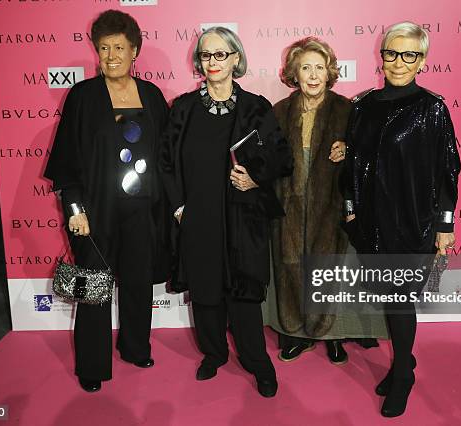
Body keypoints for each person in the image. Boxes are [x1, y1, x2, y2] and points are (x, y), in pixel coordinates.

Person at [160, 27, 292, 398]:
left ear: (236, 58)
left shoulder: (256, 107)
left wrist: (255, 179)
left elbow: (283, 159)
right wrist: (180, 208)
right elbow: (166, 163)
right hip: (198, 217)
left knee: (244, 293)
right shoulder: (183, 109)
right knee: (205, 292)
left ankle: (256, 362)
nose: (213, 62)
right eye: (206, 55)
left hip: (243, 217)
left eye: (221, 54)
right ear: (199, 61)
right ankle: (214, 353)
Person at [44, 10, 171, 393]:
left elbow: (166, 155)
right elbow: (67, 160)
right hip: (95, 210)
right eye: (103, 48)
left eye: (119, 47)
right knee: (94, 286)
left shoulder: (151, 95)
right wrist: (75, 210)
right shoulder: (82, 96)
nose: (111, 54)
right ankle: (92, 365)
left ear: (135, 51)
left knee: (137, 283)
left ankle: (135, 347)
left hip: (142, 208)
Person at [341, 22, 460, 417]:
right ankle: (403, 362)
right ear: (382, 55)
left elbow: (448, 170)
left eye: (409, 54)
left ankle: (403, 372)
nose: (398, 61)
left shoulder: (432, 108)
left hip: (414, 224)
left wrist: (445, 224)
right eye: (392, 53)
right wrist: (351, 212)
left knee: (400, 301)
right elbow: (351, 168)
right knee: (389, 299)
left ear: (422, 60)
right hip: (371, 224)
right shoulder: (362, 106)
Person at [265, 37, 387, 365]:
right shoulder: (280, 112)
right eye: (306, 68)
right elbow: (268, 160)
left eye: (320, 67)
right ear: (295, 73)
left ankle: (333, 337)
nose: (314, 75)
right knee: (292, 268)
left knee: (329, 271)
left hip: (332, 205)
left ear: (330, 71)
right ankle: (299, 335)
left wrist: (348, 151)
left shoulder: (347, 110)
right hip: (289, 206)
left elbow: (368, 156)